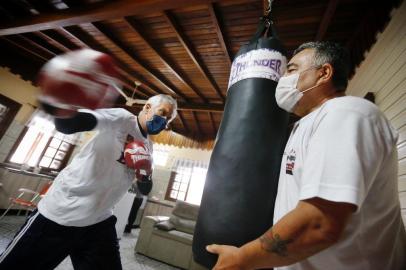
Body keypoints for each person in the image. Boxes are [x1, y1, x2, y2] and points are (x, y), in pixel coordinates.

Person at [206, 41, 406, 270]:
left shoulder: (347, 113)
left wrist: (242, 259)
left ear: (324, 73)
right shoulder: (304, 127)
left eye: (291, 69)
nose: (284, 79)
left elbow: (319, 223)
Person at [0, 94, 177, 270]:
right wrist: (60, 102)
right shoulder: (122, 118)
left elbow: (145, 189)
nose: (164, 121)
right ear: (147, 107)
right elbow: (68, 125)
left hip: (99, 222)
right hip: (61, 214)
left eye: (168, 119)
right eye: (162, 113)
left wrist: (144, 173)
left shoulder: (149, 147)